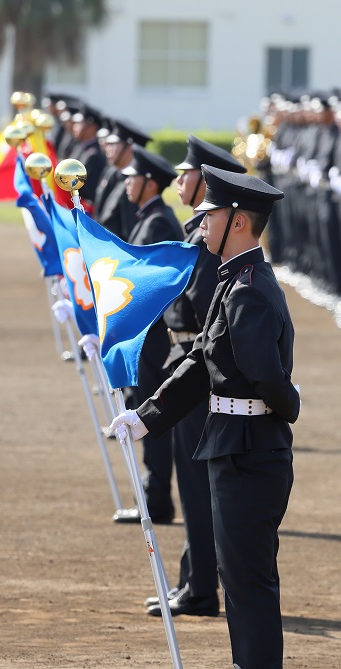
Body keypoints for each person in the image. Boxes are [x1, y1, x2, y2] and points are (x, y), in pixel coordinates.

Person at [112, 165, 299, 669]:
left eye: (211, 216)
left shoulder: (249, 289)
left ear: (238, 222)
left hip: (251, 452)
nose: (201, 225)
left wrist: (290, 405)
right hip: (234, 446)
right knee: (242, 592)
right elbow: (198, 363)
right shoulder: (232, 280)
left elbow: (267, 378)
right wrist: (148, 415)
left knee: (249, 591)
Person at [145, 136, 247, 619]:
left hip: (194, 362)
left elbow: (199, 308)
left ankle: (202, 586)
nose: (179, 181)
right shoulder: (196, 231)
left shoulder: (208, 238)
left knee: (196, 486)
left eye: (186, 174)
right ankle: (194, 577)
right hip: (183, 355)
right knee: (191, 486)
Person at [121, 146, 182, 525]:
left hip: (154, 336)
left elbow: (155, 284)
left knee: (152, 417)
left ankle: (158, 499)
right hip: (146, 333)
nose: (127, 182)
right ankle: (152, 492)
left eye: (133, 177)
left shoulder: (158, 221)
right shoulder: (149, 217)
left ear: (150, 183)